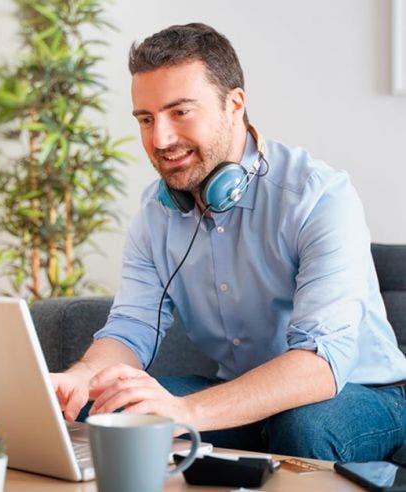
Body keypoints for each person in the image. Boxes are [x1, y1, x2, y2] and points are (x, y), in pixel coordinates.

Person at [51, 23, 406, 462]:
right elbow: (131, 328)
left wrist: (185, 411)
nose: (159, 139)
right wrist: (84, 377)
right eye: (146, 119)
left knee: (303, 429)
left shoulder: (319, 195)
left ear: (234, 104)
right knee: (100, 411)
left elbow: (322, 363)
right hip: (235, 392)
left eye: (180, 112)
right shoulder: (155, 211)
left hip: (359, 391)